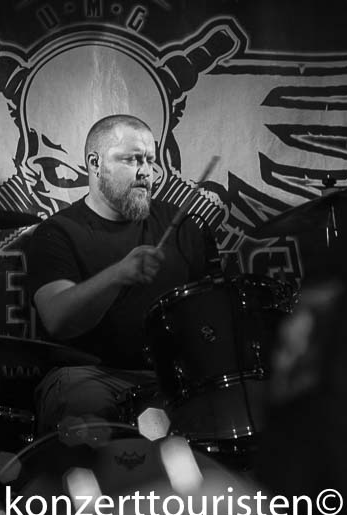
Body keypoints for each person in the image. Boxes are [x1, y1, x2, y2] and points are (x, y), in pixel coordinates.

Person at [26, 113, 216, 432]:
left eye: (150, 160)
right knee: (83, 407)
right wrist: (118, 274)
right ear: (95, 163)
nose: (146, 172)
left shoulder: (181, 226)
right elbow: (57, 319)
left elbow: (209, 309)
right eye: (132, 159)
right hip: (89, 375)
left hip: (172, 377)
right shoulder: (58, 233)